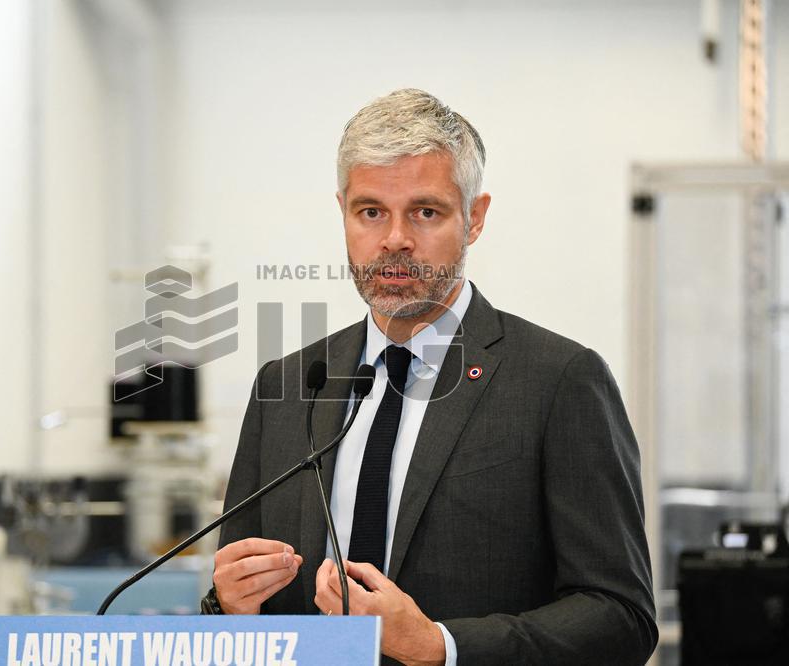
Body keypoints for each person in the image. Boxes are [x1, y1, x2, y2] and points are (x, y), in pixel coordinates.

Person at [201, 89, 657, 666]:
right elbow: (234, 601)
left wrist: (439, 646)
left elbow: (621, 617)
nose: (394, 239)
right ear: (342, 210)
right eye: (371, 212)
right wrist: (231, 609)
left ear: (475, 218)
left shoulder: (559, 380)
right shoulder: (288, 386)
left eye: (426, 211)